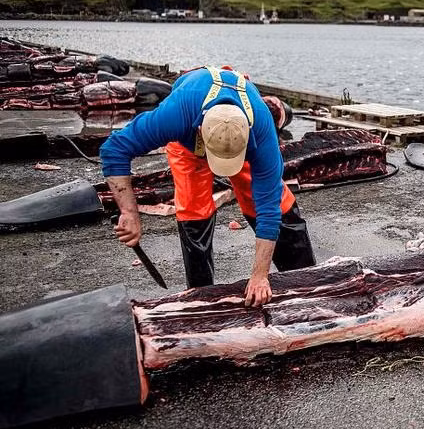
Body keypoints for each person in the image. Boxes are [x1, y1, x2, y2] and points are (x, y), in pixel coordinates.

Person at [100, 66, 316, 306]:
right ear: (201, 130)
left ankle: (305, 279)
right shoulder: (175, 116)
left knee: (270, 201)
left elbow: (269, 207)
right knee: (193, 209)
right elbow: (114, 149)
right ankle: (203, 297)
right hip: (189, 142)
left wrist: (259, 276)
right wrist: (129, 212)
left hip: (238, 137)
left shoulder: (262, 130)